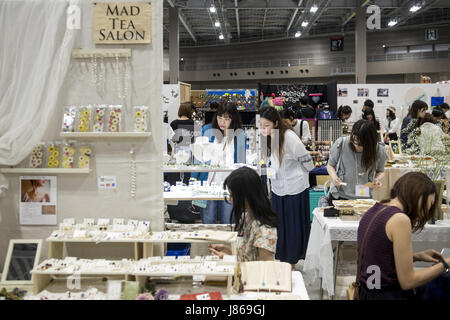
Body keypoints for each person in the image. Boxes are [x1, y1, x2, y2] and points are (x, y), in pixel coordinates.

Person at [357, 172, 450, 300]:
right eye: (429, 204)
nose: (427, 212)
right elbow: (408, 282)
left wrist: (416, 257)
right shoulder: (400, 219)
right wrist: (445, 264)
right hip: (387, 294)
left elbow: (378, 259)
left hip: (368, 291)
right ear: (419, 197)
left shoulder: (375, 209)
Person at [259, 107, 314, 266]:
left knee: (292, 227)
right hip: (278, 188)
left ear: (276, 123)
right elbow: (266, 161)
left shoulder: (289, 137)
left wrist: (299, 174)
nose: (263, 129)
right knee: (280, 226)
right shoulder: (266, 137)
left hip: (294, 189)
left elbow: (307, 162)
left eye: (266, 125)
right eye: (261, 125)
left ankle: (292, 261)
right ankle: (283, 258)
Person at [208, 167, 279, 262]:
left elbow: (264, 270)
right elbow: (248, 255)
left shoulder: (265, 231)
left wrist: (227, 258)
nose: (230, 199)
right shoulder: (246, 217)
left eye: (232, 195)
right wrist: (229, 251)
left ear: (245, 196)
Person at [195, 102, 246, 224]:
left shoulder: (239, 135)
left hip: (230, 187)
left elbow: (241, 162)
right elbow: (198, 157)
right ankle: (211, 243)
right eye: (219, 117)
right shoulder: (207, 130)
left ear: (233, 119)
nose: (222, 122)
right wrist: (194, 181)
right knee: (208, 221)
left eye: (226, 119)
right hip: (208, 185)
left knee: (228, 221)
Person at [326, 119, 387, 204]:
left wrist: (376, 179)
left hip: (364, 197)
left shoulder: (378, 149)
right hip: (340, 196)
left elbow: (381, 171)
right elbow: (330, 165)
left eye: (360, 145)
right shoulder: (342, 143)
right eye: (354, 142)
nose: (356, 147)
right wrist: (335, 177)